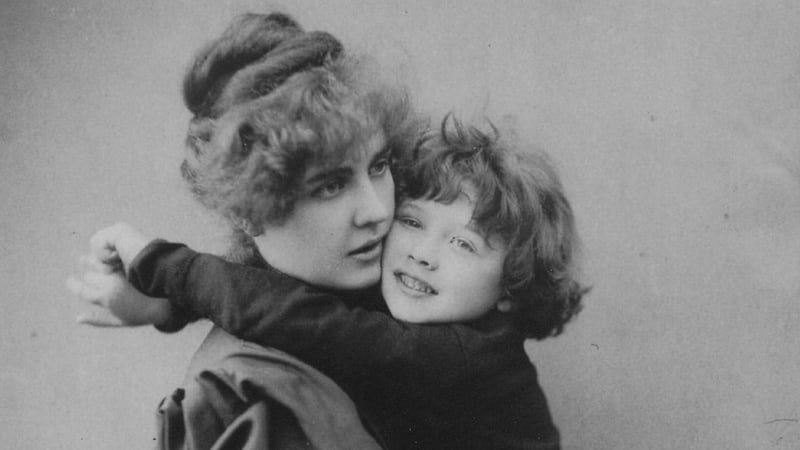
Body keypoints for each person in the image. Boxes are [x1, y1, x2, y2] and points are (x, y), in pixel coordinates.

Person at [74, 115, 587, 449]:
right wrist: (166, 309)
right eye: (411, 221)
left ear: (510, 290)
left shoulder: (465, 355)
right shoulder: (418, 305)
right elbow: (283, 290)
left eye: (463, 244)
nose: (423, 255)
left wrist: (161, 265)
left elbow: (308, 322)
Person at [70, 11, 422, 449]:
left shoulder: (406, 294)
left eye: (379, 166)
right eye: (331, 186)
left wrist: (170, 306)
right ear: (247, 211)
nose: (376, 210)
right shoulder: (249, 397)